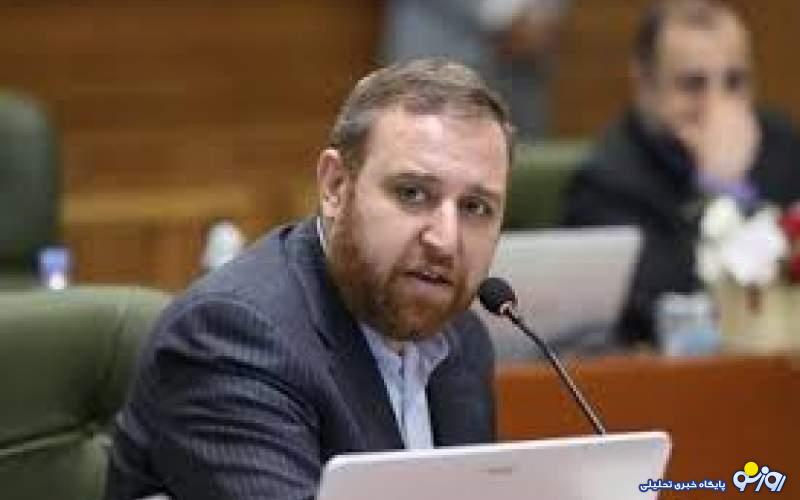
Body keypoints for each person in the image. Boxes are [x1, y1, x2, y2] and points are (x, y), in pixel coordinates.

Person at [105, 58, 512, 500]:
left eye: (475, 208)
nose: (446, 241)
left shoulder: (460, 340)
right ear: (336, 187)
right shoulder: (233, 338)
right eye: (412, 194)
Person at [562, 0, 800, 346]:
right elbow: (663, 308)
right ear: (644, 84)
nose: (717, 105)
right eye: (692, 84)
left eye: (734, 82)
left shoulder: (783, 146)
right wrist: (722, 190)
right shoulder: (606, 182)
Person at [382, 0, 569, 141]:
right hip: (442, 53)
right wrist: (507, 18)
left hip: (524, 67)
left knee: (522, 166)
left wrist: (544, 15)